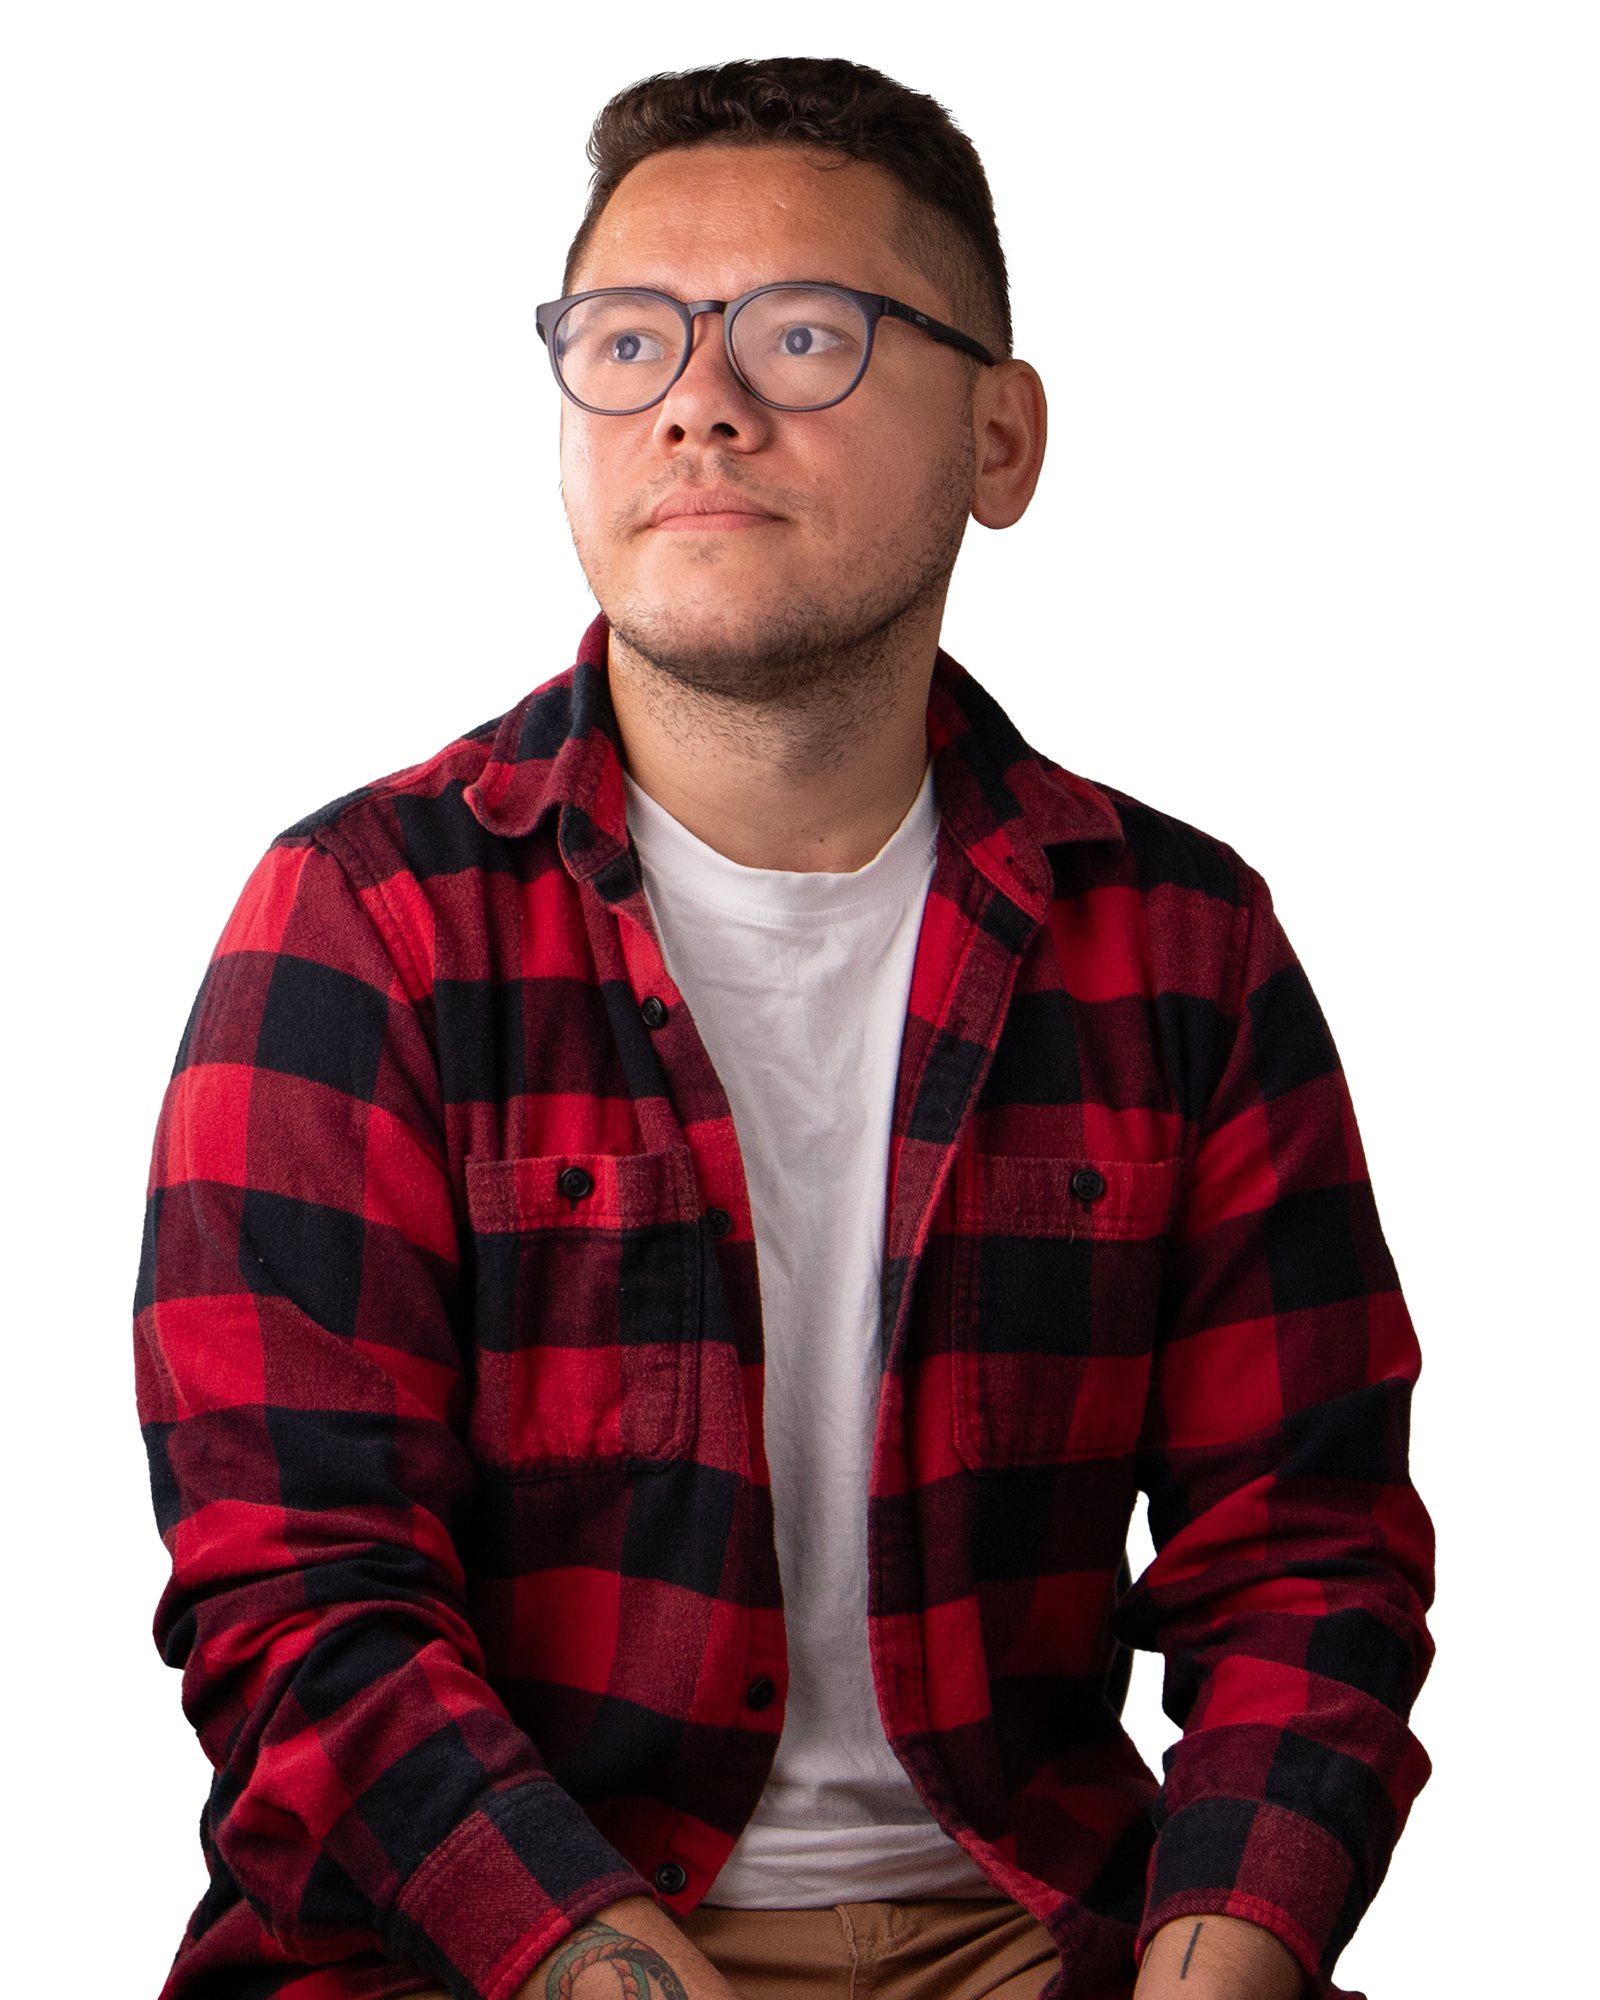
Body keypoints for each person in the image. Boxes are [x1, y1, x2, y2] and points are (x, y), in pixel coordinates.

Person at [134, 58, 1436, 2000]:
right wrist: (604, 1968)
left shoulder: (1186, 948)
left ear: (1002, 441)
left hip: (1035, 1926)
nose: (696, 399)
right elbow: (299, 1593)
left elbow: (1308, 1555)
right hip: (485, 1950)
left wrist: (1214, 1966)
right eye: (627, 337)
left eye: (805, 335)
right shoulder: (360, 927)